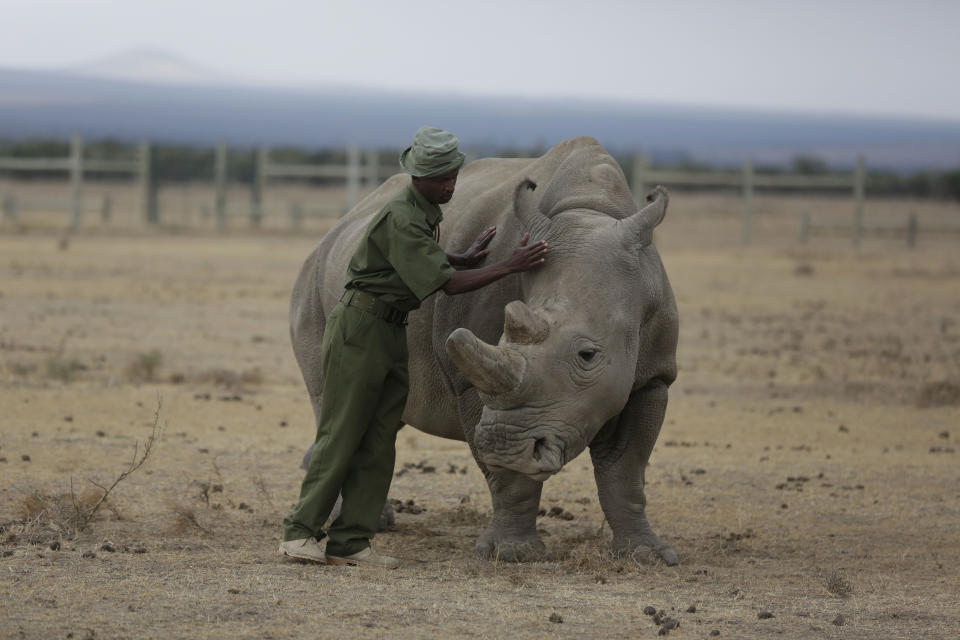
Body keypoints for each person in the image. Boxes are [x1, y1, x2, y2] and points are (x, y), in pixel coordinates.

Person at [279, 126, 548, 568]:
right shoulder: (403, 214)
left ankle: (351, 541)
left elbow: (414, 261)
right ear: (416, 177)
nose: (450, 185)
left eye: (453, 176)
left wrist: (462, 257)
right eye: (440, 178)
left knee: (381, 437)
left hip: (390, 328)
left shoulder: (425, 210)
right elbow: (448, 285)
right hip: (361, 328)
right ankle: (300, 532)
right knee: (343, 433)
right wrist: (508, 265)